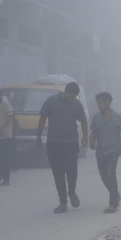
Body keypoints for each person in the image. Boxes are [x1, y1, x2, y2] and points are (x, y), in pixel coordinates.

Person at [37, 82, 88, 213]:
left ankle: (72, 192)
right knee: (58, 174)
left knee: (72, 170)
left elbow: (83, 119)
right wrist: (38, 136)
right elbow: (42, 118)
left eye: (74, 97)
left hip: (71, 143)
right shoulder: (51, 101)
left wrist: (85, 136)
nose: (72, 99)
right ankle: (63, 203)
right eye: (71, 96)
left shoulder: (76, 103)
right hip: (54, 143)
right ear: (65, 91)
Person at [90, 92, 121, 214]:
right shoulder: (96, 117)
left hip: (113, 150)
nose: (98, 105)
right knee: (104, 176)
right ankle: (115, 195)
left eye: (100, 102)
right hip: (100, 151)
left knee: (111, 173)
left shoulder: (118, 117)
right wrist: (91, 141)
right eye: (97, 102)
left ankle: (113, 204)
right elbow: (94, 132)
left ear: (107, 103)